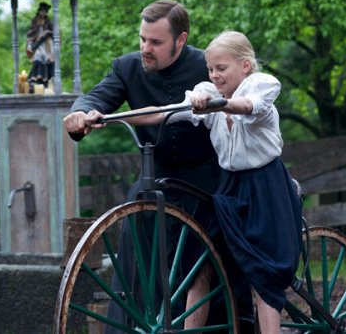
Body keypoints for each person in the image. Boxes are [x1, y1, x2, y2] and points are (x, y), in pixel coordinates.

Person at [85, 31, 303, 333]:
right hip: (228, 188)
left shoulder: (262, 85)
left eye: (221, 69)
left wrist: (215, 103)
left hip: (263, 188)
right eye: (211, 69)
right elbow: (161, 115)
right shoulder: (207, 90)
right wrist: (109, 117)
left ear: (245, 66)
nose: (214, 75)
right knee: (200, 263)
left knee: (262, 277)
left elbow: (248, 106)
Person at [63, 0, 244, 332]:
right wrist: (80, 114)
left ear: (181, 39)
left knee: (211, 251)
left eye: (156, 42)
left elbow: (244, 94)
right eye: (142, 39)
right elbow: (94, 100)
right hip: (154, 177)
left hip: (207, 179)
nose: (146, 48)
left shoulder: (207, 66)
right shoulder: (126, 68)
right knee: (135, 233)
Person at [26, 1, 56, 86]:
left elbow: (52, 32)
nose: (43, 13)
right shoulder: (35, 20)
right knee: (38, 56)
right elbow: (30, 33)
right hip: (37, 43)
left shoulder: (48, 21)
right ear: (39, 11)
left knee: (47, 58)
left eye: (45, 11)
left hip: (46, 43)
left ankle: (46, 78)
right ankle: (36, 77)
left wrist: (47, 32)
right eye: (42, 11)